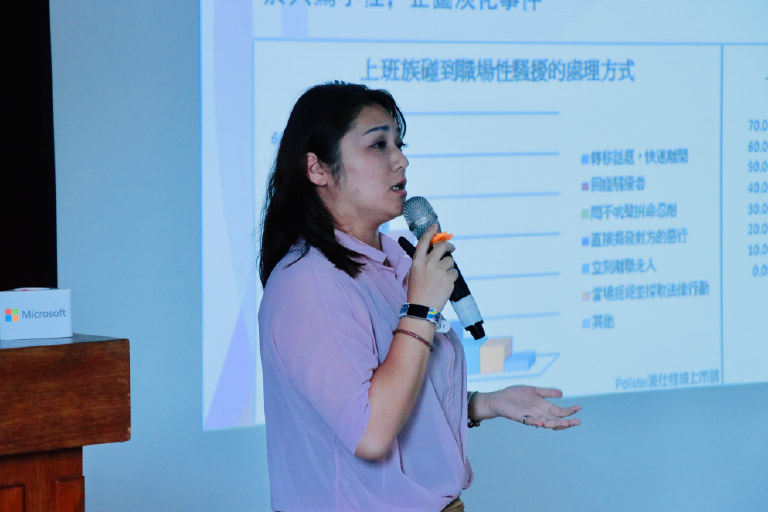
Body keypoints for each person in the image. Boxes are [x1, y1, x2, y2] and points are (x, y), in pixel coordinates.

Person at [258, 82, 581, 512]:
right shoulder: (308, 282)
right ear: (317, 169)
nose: (401, 160)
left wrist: (483, 404)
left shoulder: (392, 260)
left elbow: (397, 394)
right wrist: (421, 310)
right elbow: (370, 433)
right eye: (378, 145)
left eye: (399, 144)